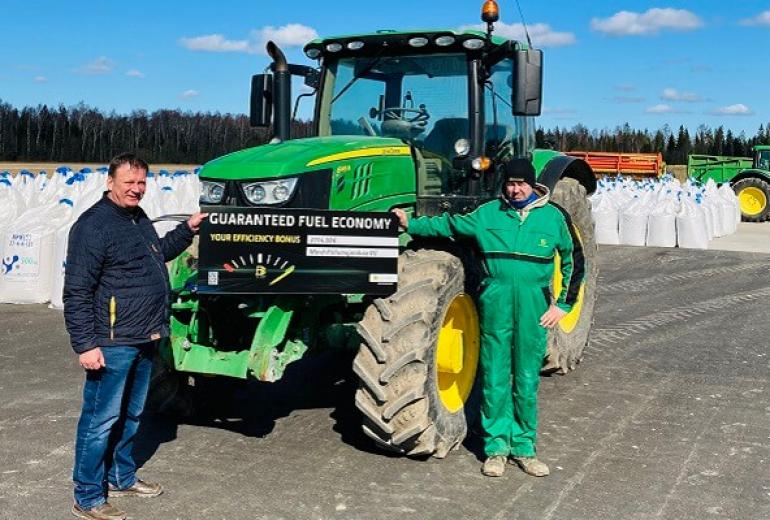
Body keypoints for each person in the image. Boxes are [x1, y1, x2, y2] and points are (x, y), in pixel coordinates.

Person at [392, 158, 585, 478]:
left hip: (534, 310)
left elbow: (573, 261)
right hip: (495, 307)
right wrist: (409, 223)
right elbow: (448, 225)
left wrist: (562, 305)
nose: (515, 188)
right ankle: (496, 449)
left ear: (532, 184)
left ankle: (524, 449)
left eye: (521, 183)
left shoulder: (553, 217)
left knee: (525, 380)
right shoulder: (487, 214)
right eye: (510, 183)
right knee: (495, 378)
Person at [64, 153, 207, 519]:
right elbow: (77, 291)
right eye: (129, 182)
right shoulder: (93, 227)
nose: (136, 189)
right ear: (110, 181)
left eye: (142, 182)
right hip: (112, 342)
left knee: (132, 415)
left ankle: (121, 477)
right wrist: (86, 344)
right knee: (100, 421)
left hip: (145, 335)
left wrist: (187, 229)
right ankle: (88, 496)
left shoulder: (137, 219)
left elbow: (156, 257)